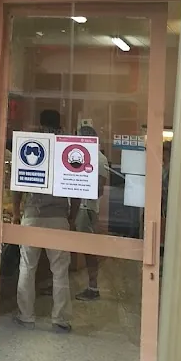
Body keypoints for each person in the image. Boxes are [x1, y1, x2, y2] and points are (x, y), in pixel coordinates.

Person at [12, 109, 72, 333]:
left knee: (27, 267)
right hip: (59, 216)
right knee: (60, 270)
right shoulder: (65, 147)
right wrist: (71, 215)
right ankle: (60, 318)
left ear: (39, 122)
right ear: (60, 123)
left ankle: (26, 315)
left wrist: (17, 212)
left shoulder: (31, 145)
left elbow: (18, 184)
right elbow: (74, 187)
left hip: (33, 214)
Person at [73, 125, 110, 301]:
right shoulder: (79, 155)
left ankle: (93, 287)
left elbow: (99, 189)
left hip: (86, 209)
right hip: (76, 207)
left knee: (89, 249)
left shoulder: (99, 159)